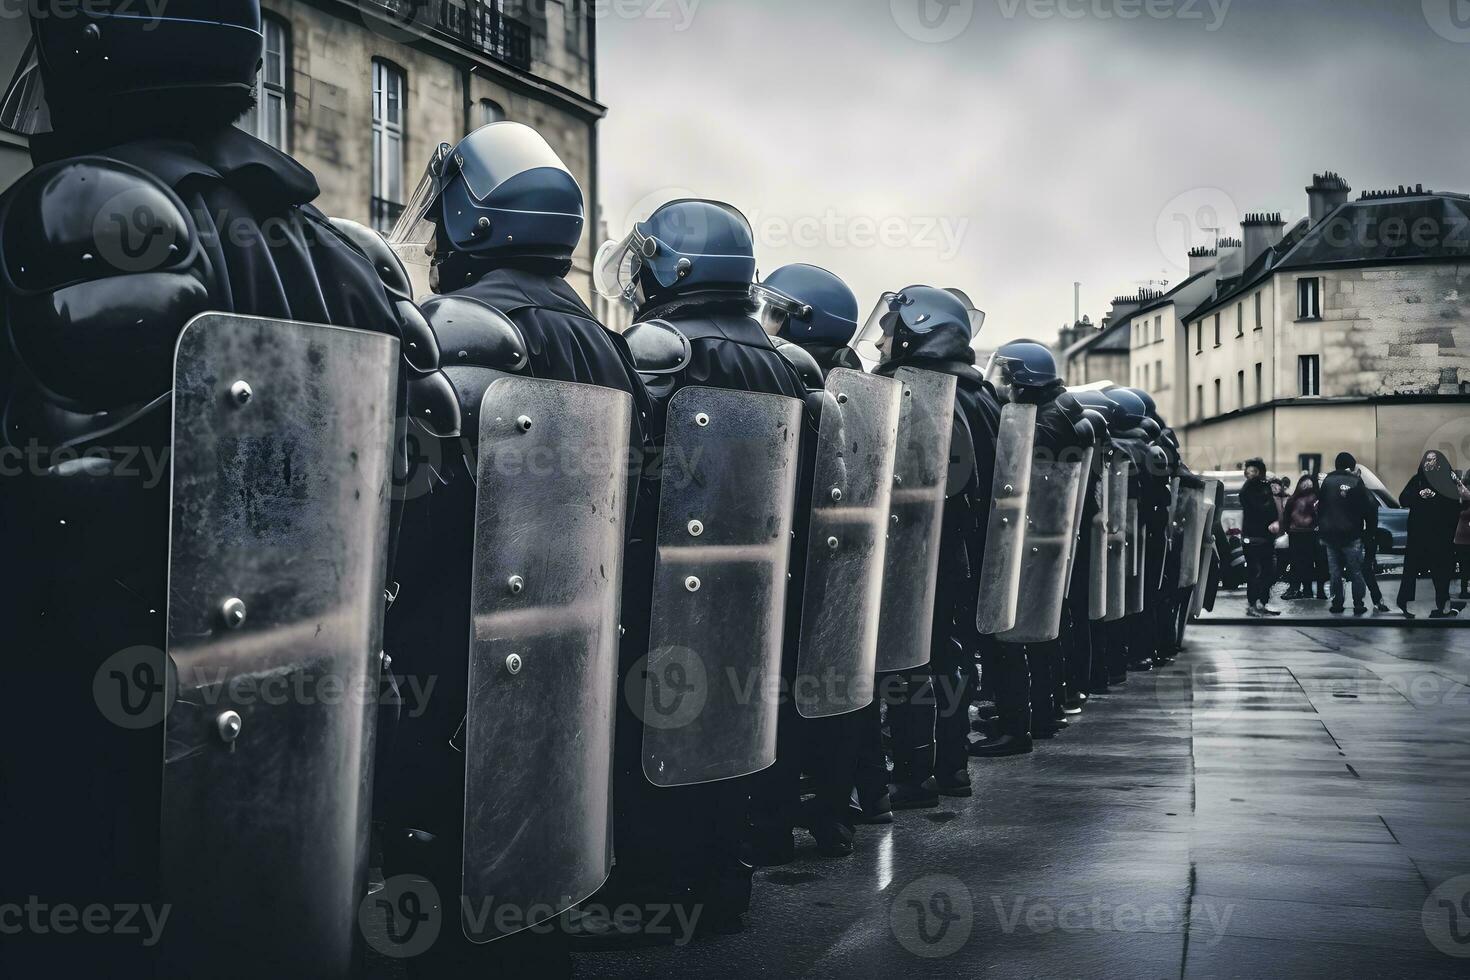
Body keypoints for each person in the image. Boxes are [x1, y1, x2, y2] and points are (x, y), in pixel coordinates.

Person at [0, 4, 451, 974]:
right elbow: (418, 502)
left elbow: (59, 540)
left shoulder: (74, 215)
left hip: (102, 769)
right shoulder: (349, 256)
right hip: (310, 741)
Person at [379, 121, 654, 976]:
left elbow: (407, 519)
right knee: (537, 862)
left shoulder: (459, 326)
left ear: (471, 216)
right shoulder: (608, 344)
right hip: (568, 640)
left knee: (443, 878)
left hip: (452, 649)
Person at [587, 198, 810, 939]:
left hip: (659, 581)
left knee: (652, 735)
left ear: (673, 264)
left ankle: (658, 895)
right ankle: (720, 883)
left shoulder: (661, 347)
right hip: (751, 582)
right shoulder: (779, 363)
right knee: (727, 732)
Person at [856, 287, 1000, 782]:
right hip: (961, 552)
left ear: (919, 330)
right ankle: (951, 766)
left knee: (905, 661)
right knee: (949, 657)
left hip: (911, 550)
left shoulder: (910, 387)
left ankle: (916, 772)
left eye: (889, 330)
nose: (879, 343)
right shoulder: (982, 394)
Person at [747, 262, 867, 861]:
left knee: (785, 692)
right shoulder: (855, 384)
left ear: (801, 318)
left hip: (795, 562)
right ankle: (833, 812)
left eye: (774, 308)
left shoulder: (798, 377)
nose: (763, 318)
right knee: (833, 692)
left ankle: (785, 819)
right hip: (840, 566)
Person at [1397, 451, 1464, 619]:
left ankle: (1442, 606)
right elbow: (1403, 499)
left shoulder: (1446, 482)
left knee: (1440, 572)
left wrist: (1435, 498)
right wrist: (1419, 495)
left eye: (1432, 460)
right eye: (1427, 460)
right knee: (1411, 571)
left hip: (1439, 537)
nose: (1429, 463)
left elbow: (1455, 506)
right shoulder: (1417, 481)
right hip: (1419, 536)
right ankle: (1405, 604)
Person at [1316, 453, 1375, 616]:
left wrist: (1322, 531)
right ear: (1351, 465)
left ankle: (1337, 602)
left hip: (1330, 535)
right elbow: (1367, 507)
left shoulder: (1327, 481)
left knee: (1335, 572)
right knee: (1355, 570)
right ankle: (1358, 603)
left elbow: (1321, 508)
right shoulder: (1356, 481)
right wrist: (1367, 532)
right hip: (1352, 534)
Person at [1240, 459, 1281, 617]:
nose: (1250, 474)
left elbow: (1272, 509)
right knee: (1254, 571)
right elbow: (1254, 506)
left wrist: (1275, 521)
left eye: (1254, 471)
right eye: (1248, 471)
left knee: (1269, 571)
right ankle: (1252, 605)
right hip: (1252, 536)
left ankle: (1261, 603)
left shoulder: (1266, 488)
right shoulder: (1247, 489)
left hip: (1266, 537)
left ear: (1260, 472)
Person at [1281, 474, 1323, 601]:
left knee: (1307, 563)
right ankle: (1301, 589)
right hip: (1296, 534)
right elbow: (1286, 517)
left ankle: (1306, 589)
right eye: (1304, 484)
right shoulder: (1293, 500)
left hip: (1309, 535)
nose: (1306, 486)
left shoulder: (1315, 500)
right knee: (1297, 563)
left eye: (1309, 484)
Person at [1459, 470, 1470, 599]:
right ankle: (1463, 590)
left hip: (1461, 534)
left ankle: (1463, 589)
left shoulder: (1461, 492)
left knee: (1464, 563)